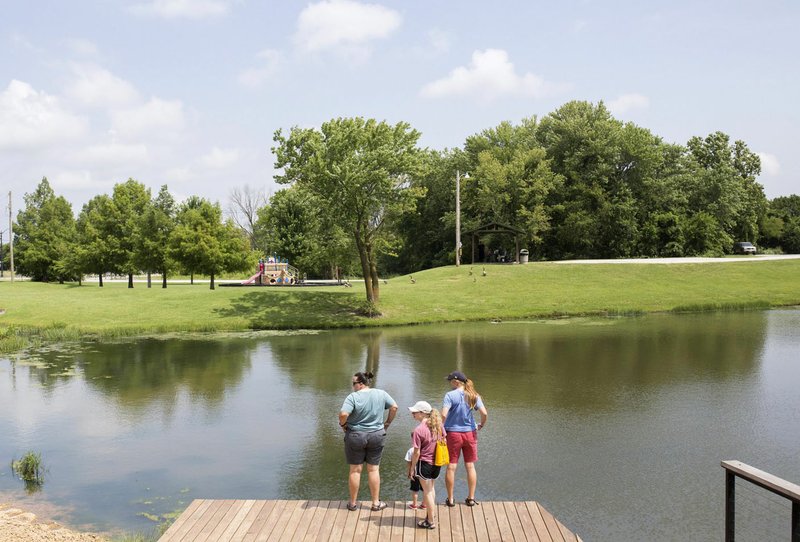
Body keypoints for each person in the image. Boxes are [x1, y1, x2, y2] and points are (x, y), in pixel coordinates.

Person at [339, 371, 398, 512]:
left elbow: (343, 414)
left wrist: (343, 425)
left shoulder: (353, 397)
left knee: (355, 470)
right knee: (373, 469)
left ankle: (352, 504)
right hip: (377, 435)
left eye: (354, 383)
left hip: (355, 435)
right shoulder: (381, 393)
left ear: (360, 384)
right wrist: (388, 422)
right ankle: (376, 503)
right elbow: (394, 407)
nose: (352, 386)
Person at [441, 370, 488, 507]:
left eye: (450, 381)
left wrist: (440, 429)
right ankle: (471, 498)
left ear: (456, 382)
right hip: (470, 433)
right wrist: (481, 425)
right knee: (470, 466)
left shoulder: (450, 395)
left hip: (453, 434)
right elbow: (484, 413)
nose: (450, 383)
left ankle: (450, 499)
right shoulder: (473, 395)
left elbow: (443, 415)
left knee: (451, 467)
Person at [408, 400, 446, 530]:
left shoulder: (419, 430)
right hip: (436, 463)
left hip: (424, 464)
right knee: (431, 490)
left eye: (415, 412)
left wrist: (412, 468)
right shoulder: (438, 426)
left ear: (423, 413)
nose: (413, 413)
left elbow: (417, 453)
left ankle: (430, 521)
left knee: (428, 492)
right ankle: (431, 515)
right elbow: (443, 440)